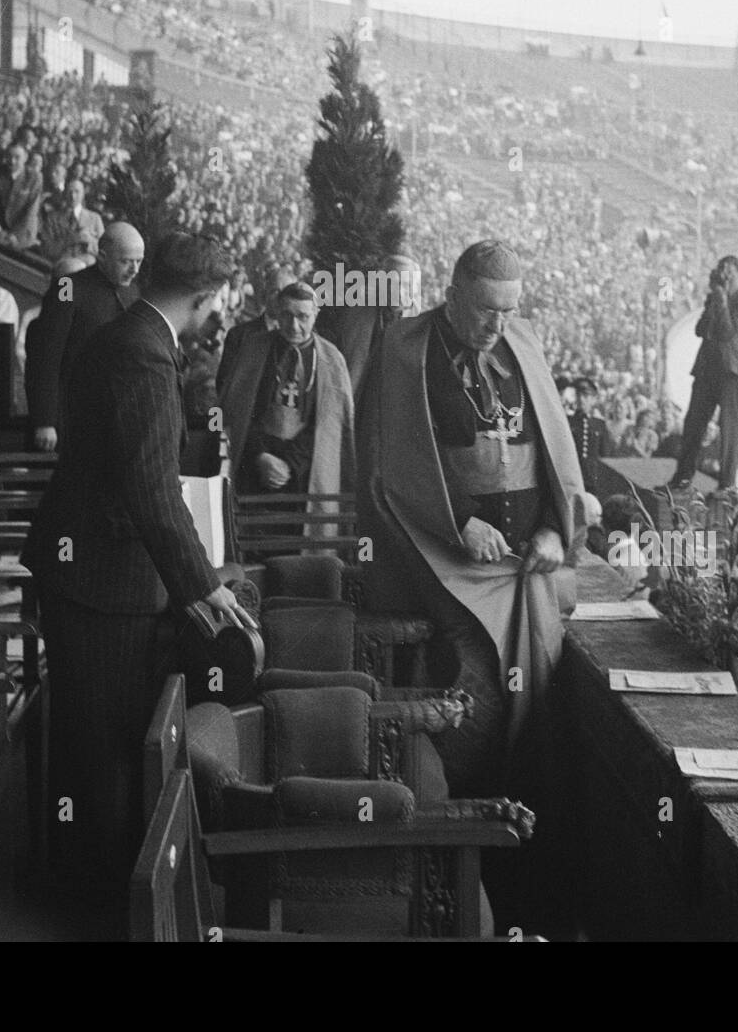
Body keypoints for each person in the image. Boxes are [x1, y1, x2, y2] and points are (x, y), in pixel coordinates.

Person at [20, 231, 256, 936]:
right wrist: (205, 587)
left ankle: (93, 901)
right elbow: (152, 493)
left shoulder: (134, 337)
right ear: (206, 298)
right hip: (101, 583)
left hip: (99, 573)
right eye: (218, 305)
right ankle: (97, 915)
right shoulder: (144, 357)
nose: (217, 318)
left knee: (104, 753)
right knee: (103, 759)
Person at [357, 239, 588, 934]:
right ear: (454, 296)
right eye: (488, 311)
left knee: (541, 694)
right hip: (443, 559)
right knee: (482, 685)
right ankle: (457, 842)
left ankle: (521, 867)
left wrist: (553, 530)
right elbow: (383, 468)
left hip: (525, 566)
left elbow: (554, 453)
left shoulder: (524, 345)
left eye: (511, 310)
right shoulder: (403, 352)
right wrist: (456, 522)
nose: (499, 326)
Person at [218, 280, 354, 509]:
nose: (294, 325)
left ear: (315, 314)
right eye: (287, 315)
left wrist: (289, 464)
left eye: (303, 316)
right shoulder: (253, 349)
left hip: (305, 471)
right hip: (253, 464)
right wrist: (260, 455)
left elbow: (329, 424)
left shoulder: (332, 360)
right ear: (277, 313)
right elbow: (236, 412)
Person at [25, 222, 144, 451]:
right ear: (102, 256)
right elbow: (47, 358)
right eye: (126, 261)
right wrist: (45, 421)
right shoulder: (67, 286)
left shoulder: (132, 292)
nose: (134, 269)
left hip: (111, 418)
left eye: (139, 261)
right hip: (67, 419)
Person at [671, 255, 738, 492]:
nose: (725, 276)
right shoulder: (714, 296)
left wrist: (722, 300)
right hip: (707, 366)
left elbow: (728, 332)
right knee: (693, 423)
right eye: (722, 271)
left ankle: (726, 483)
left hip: (730, 368)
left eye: (729, 272)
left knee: (729, 427)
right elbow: (700, 330)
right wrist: (715, 301)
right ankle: (683, 476)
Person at [323, 252, 424, 402]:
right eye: (392, 283)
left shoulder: (422, 324)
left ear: (416, 288)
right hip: (359, 397)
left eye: (407, 285)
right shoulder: (356, 313)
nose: (399, 291)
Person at [216, 262, 297, 394]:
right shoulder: (239, 335)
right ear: (265, 294)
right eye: (275, 291)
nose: (280, 298)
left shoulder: (300, 339)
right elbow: (223, 385)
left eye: (286, 293)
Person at [0, 142, 42, 251]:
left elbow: (31, 211)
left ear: (25, 158)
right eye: (9, 156)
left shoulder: (34, 177)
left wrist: (14, 235)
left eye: (17, 157)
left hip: (21, 236)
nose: (12, 161)